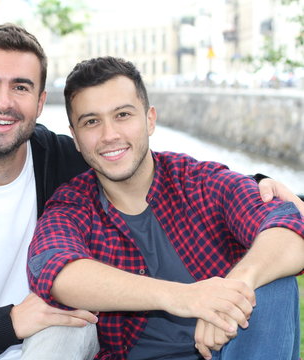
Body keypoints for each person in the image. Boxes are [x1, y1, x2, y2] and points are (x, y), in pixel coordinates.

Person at [0, 24, 303, 360]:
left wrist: (257, 191)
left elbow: (279, 218)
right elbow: (56, 269)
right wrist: (9, 323)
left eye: (20, 87)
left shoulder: (75, 159)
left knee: (274, 286)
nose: (3, 102)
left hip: (79, 335)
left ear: (39, 104)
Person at [26, 56, 304, 360]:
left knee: (273, 285)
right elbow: (54, 269)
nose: (109, 135)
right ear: (76, 138)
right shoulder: (73, 205)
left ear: (149, 119)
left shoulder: (199, 182)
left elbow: (288, 224)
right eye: (91, 122)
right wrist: (183, 298)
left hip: (231, 351)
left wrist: (233, 289)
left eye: (122, 115)